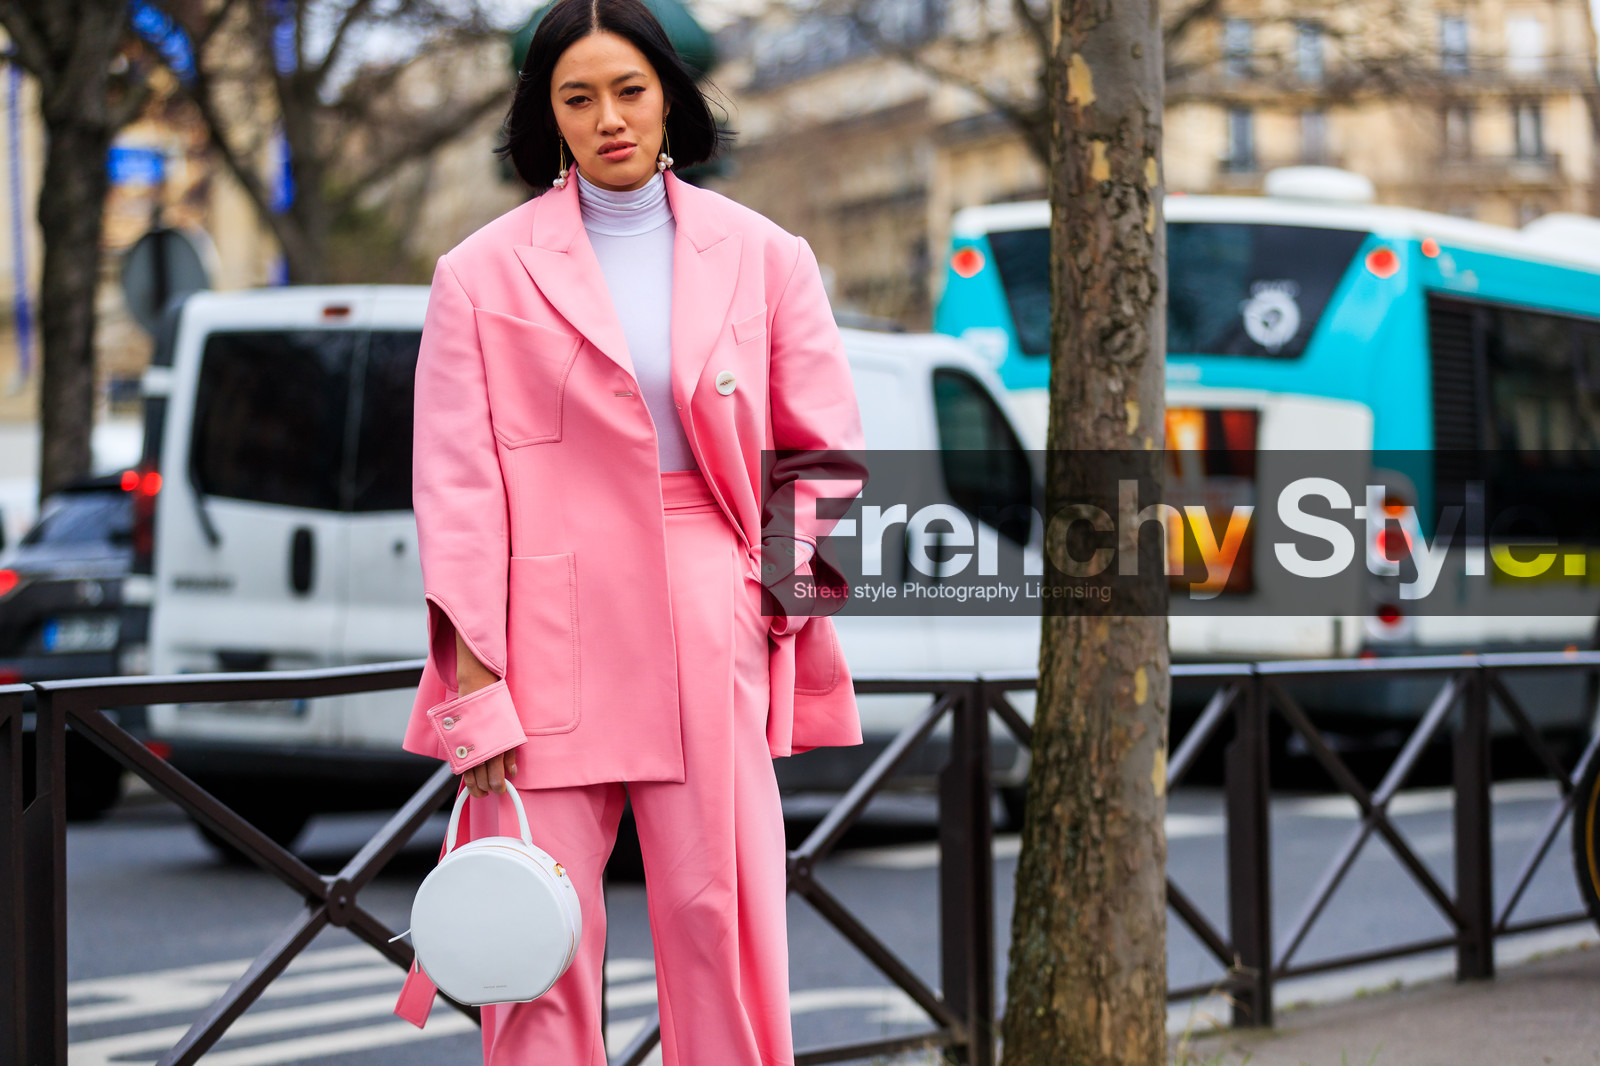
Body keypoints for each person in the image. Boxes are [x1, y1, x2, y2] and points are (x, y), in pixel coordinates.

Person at [389, 0, 868, 1062]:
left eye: (629, 90)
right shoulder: (479, 274)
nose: (608, 118)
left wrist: (772, 604)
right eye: (577, 97)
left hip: (712, 611)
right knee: (534, 948)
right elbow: (457, 492)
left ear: (669, 96)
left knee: (722, 924)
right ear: (544, 115)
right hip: (539, 629)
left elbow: (823, 453)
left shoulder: (765, 255)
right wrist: (474, 690)